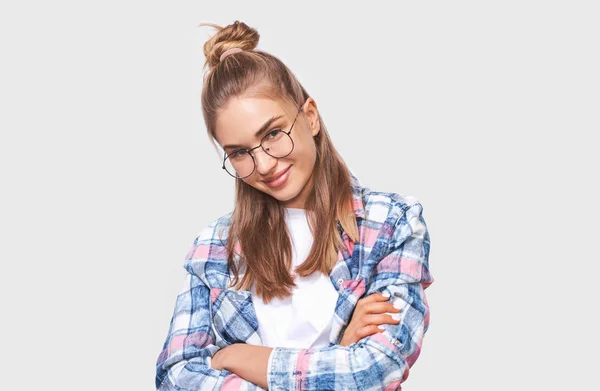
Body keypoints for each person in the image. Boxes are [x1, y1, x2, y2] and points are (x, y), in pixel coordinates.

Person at [155, 20, 434, 391]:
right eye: (239, 152)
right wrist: (340, 350)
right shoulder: (215, 248)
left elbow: (374, 370)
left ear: (311, 116)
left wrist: (234, 357)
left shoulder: (390, 224)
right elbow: (175, 377)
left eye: (272, 133)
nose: (265, 164)